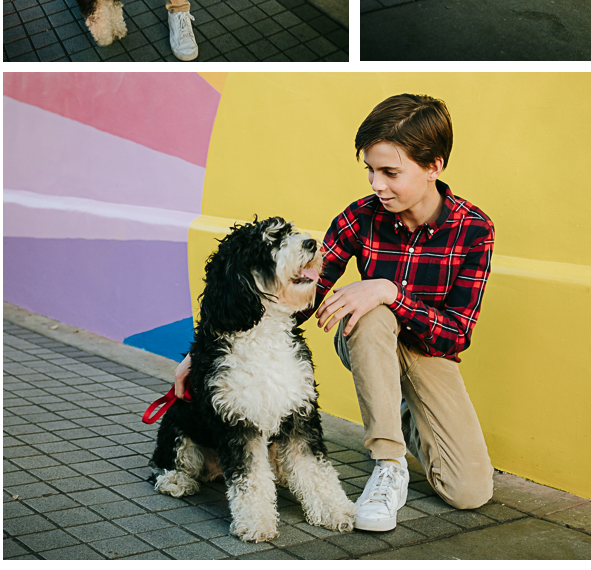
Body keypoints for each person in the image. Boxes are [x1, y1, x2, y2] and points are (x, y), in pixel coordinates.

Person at [174, 93, 495, 532]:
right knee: (373, 312)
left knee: (469, 492)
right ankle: (389, 464)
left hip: (429, 350)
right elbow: (300, 293)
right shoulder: (359, 217)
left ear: (434, 167)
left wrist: (388, 290)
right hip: (366, 337)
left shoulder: (475, 230)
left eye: (390, 172)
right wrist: (206, 352)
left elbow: (456, 336)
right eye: (370, 169)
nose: (376, 184)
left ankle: (402, 413)